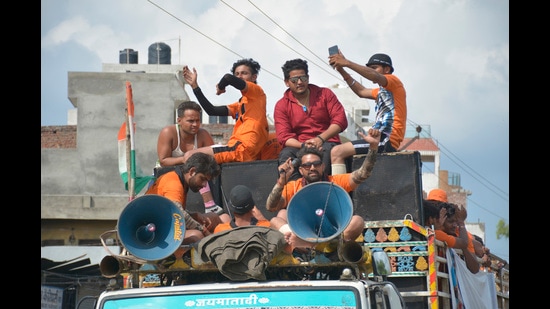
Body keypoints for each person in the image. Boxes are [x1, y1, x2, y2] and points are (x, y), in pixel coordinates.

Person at [266, 133, 380, 251]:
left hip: (334, 237)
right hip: (304, 240)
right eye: (307, 165)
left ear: (323, 166)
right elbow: (271, 207)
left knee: (357, 221)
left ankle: (332, 249)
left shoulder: (335, 182)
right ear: (300, 170)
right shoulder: (294, 186)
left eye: (316, 164)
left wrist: (373, 148)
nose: (312, 168)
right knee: (277, 218)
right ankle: (307, 247)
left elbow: (362, 174)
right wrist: (281, 182)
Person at [328, 51, 406, 175]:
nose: (370, 71)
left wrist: (347, 63)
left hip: (387, 139)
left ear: (387, 69)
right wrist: (341, 70)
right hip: (378, 138)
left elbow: (374, 76)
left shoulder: (394, 82)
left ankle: (338, 192)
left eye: (375, 68)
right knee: (343, 155)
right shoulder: (381, 91)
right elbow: (362, 91)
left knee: (337, 152)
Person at [182, 58, 269, 164]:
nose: (239, 76)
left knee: (190, 156)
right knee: (193, 158)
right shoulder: (240, 104)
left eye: (244, 73)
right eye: (237, 74)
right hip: (235, 148)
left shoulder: (257, 92)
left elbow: (228, 78)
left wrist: (220, 87)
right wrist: (195, 87)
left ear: (254, 77)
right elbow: (211, 110)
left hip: (242, 148)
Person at [273, 58, 348, 181]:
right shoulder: (281, 105)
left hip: (327, 142)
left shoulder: (325, 94)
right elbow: (284, 137)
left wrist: (320, 139)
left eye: (303, 78)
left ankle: (327, 192)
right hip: (299, 145)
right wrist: (303, 145)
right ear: (287, 82)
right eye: (294, 80)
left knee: (326, 151)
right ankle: (295, 193)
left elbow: (340, 120)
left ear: (308, 78)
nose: (299, 82)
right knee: (286, 155)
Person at [155, 101, 226, 215]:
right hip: (167, 176)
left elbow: (212, 161)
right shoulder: (168, 132)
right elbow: (164, 161)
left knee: (202, 173)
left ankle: (210, 206)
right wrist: (185, 159)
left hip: (191, 178)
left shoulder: (203, 135)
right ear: (179, 121)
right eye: (190, 121)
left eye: (198, 120)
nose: (195, 124)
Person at [145, 152, 223, 244]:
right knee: (197, 235)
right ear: (192, 171)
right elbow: (178, 213)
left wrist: (194, 215)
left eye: (207, 181)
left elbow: (172, 210)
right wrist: (204, 230)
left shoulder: (182, 180)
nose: (204, 185)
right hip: (156, 231)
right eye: (202, 179)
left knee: (216, 217)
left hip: (169, 223)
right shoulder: (173, 183)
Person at [423, 199, 480, 274]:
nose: (454, 225)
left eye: (456, 222)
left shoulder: (461, 235)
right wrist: (461, 223)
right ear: (441, 219)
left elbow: (474, 268)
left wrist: (463, 247)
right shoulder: (436, 233)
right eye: (450, 222)